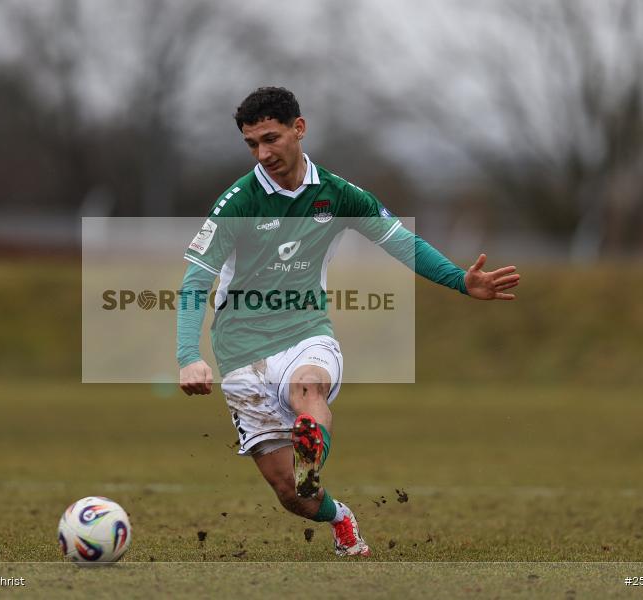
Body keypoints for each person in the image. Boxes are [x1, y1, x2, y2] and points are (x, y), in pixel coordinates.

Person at [177, 87, 519, 557]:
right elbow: (197, 278)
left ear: (300, 128)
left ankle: (310, 450)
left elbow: (402, 242)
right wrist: (189, 356)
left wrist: (461, 280)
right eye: (252, 144)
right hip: (241, 352)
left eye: (272, 138)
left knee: (309, 390)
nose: (263, 153)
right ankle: (340, 517)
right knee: (294, 495)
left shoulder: (339, 195)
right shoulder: (237, 202)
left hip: (304, 333)